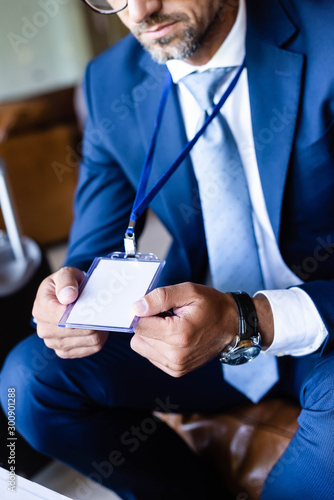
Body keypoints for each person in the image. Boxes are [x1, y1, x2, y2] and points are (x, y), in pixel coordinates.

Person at [1, 0, 334, 498]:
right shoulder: (108, 82)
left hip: (321, 325)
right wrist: (65, 299)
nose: (140, 11)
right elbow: (89, 252)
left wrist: (249, 318)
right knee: (29, 380)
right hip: (193, 333)